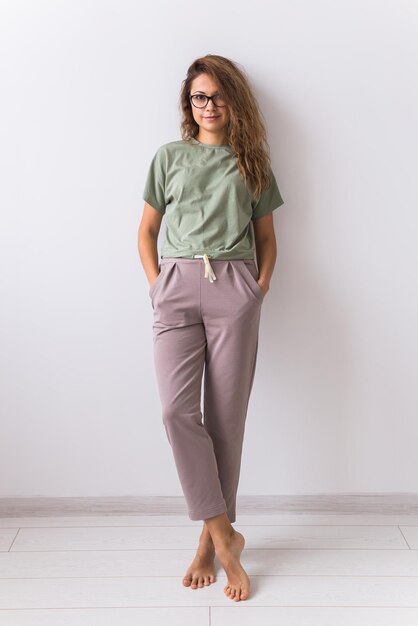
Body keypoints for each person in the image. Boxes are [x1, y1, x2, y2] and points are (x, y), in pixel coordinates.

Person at [137, 54, 284, 602]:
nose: (209, 106)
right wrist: (158, 285)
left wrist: (257, 289)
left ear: (234, 102)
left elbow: (267, 238)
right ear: (188, 103)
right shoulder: (168, 157)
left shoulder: (253, 162)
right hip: (175, 285)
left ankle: (206, 543)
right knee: (177, 411)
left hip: (234, 288)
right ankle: (227, 538)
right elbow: (146, 231)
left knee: (226, 421)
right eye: (200, 97)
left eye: (219, 96)